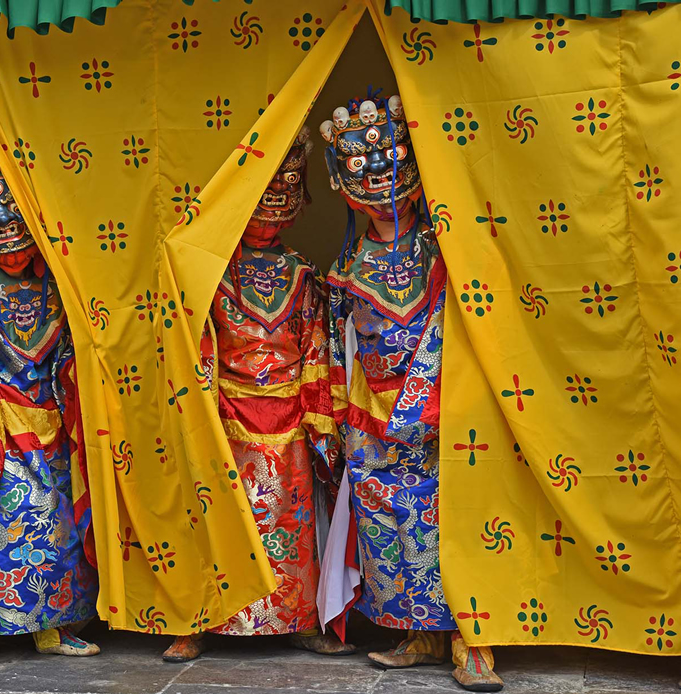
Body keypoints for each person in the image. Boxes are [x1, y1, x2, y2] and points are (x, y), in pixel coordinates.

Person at [319, 94, 504, 692]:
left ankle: (472, 641)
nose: (378, 179)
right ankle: (417, 633)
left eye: (390, 161)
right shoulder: (346, 266)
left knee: (452, 518)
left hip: (442, 407)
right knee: (386, 524)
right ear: (338, 178)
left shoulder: (443, 249)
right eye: (359, 167)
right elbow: (335, 347)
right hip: (371, 415)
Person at [162, 127, 354, 662]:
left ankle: (297, 619)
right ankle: (199, 621)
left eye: (280, 206)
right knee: (219, 520)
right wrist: (202, 410)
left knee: (292, 526)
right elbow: (198, 349)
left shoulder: (302, 275)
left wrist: (320, 418)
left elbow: (316, 348)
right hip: (225, 413)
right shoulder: (209, 275)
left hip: (291, 418)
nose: (268, 219)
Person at [0, 155, 99, 656]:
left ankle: (54, 624)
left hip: (51, 413)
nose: (10, 253)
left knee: (57, 518)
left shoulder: (56, 281)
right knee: (7, 519)